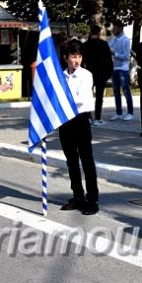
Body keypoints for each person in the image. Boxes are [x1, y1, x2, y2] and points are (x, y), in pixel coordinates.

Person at [58, 39, 99, 215]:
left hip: (80, 120)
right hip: (65, 122)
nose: (77, 61)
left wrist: (62, 100)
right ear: (66, 57)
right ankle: (78, 196)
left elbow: (82, 98)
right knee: (71, 161)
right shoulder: (61, 76)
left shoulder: (86, 75)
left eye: (79, 57)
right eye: (73, 57)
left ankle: (92, 199)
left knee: (87, 161)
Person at [81, 23, 113, 126]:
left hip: (89, 73)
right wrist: (109, 72)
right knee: (99, 96)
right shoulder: (103, 44)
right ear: (99, 33)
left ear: (90, 32)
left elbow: (82, 60)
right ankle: (97, 118)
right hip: (101, 73)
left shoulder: (85, 45)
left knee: (87, 95)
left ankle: (87, 116)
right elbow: (109, 60)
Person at [108, 20, 134, 121]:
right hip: (114, 68)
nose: (113, 30)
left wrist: (114, 54)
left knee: (126, 91)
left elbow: (126, 57)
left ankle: (130, 112)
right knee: (116, 92)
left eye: (114, 28)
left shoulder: (125, 40)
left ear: (119, 28)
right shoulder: (113, 40)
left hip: (123, 69)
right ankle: (118, 112)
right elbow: (109, 49)